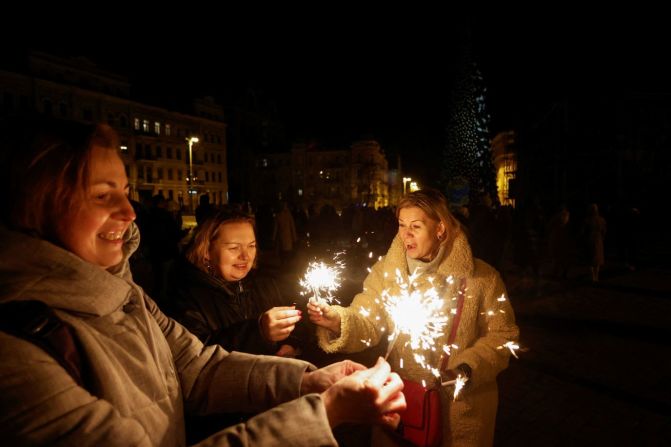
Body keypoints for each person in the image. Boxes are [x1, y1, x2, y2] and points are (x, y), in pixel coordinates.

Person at [0, 117, 405, 446]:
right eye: (104, 196)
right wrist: (325, 413)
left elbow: (195, 366)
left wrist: (308, 380)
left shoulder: (125, 293)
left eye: (126, 192)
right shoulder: (17, 351)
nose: (129, 211)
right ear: (41, 201)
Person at [309, 188, 519, 447]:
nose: (405, 234)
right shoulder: (388, 271)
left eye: (416, 226)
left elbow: (503, 337)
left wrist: (467, 368)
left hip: (461, 411)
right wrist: (338, 321)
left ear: (440, 228)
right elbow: (368, 321)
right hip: (404, 404)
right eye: (401, 224)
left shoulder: (482, 279)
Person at [169, 207, 304, 358]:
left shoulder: (265, 285)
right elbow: (194, 356)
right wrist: (258, 333)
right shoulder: (185, 297)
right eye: (234, 248)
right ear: (207, 251)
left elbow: (296, 329)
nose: (245, 256)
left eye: (251, 246)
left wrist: (290, 343)